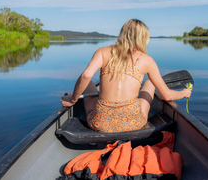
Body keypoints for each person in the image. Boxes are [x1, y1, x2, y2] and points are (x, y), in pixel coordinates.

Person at [61, 19, 192, 133]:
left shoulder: (102, 52)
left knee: (88, 84)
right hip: (133, 123)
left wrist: (73, 99)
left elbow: (86, 75)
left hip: (101, 125)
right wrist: (183, 93)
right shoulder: (147, 60)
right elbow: (167, 96)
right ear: (143, 38)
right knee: (149, 83)